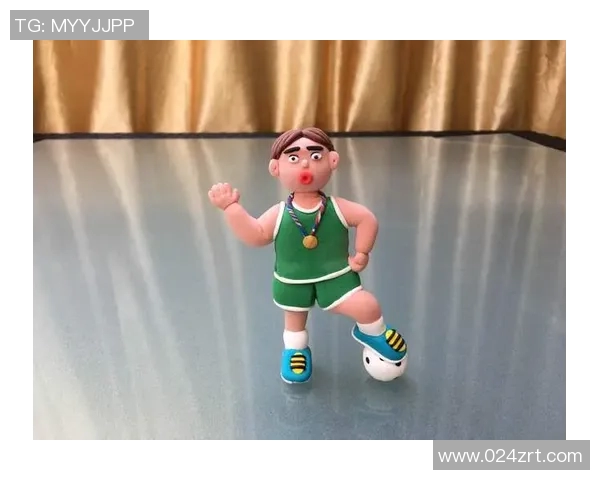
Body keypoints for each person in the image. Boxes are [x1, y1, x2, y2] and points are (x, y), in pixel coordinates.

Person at [208, 127, 407, 384]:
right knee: (295, 321)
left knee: (367, 305)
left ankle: (374, 332)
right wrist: (231, 209)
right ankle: (296, 351)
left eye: (315, 156)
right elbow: (257, 235)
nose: (305, 164)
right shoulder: (280, 213)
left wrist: (362, 252)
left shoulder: (337, 207)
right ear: (275, 168)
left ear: (332, 160)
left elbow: (367, 218)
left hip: (336, 276)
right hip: (293, 280)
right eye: (293, 158)